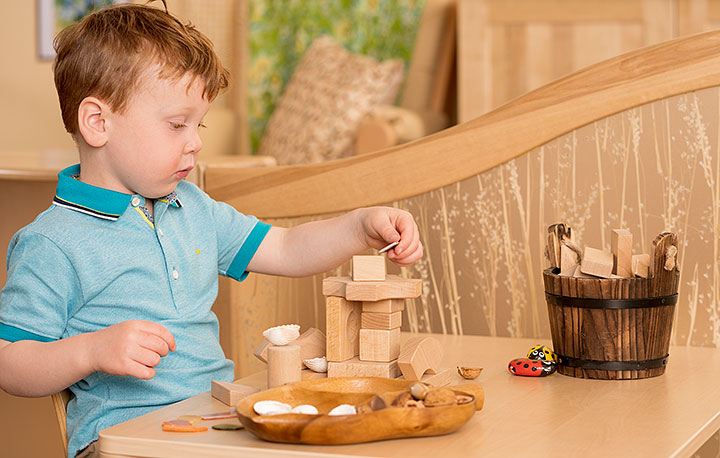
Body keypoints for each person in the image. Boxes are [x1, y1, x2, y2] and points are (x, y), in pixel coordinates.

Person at [0, 2, 423, 457]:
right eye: (176, 124)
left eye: (197, 124)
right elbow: (10, 361)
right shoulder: (52, 242)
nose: (196, 142)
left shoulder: (192, 207)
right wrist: (90, 351)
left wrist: (359, 228)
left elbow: (284, 247)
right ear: (98, 122)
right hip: (125, 443)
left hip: (216, 425)